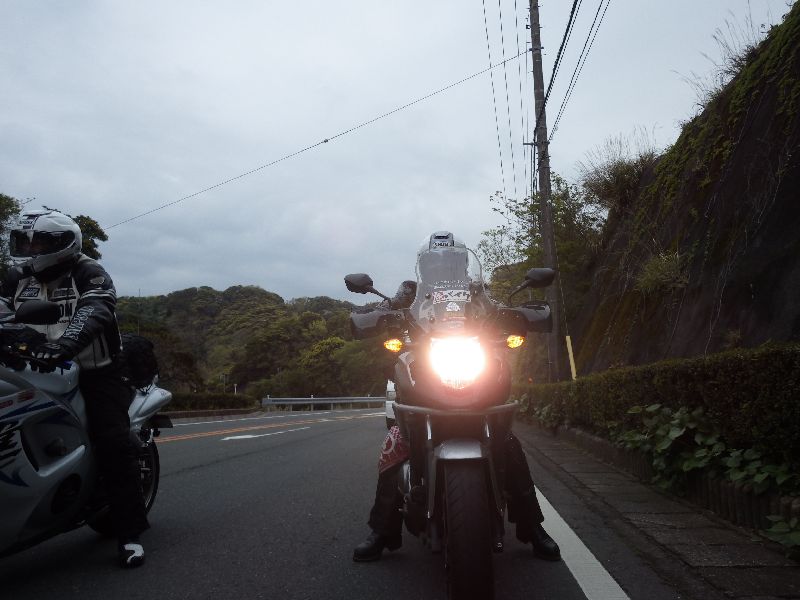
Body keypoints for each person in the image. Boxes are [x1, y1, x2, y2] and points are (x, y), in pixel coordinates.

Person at [353, 232, 561, 563]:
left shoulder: (479, 292)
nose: (443, 264)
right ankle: (383, 529)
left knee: (507, 442)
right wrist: (377, 316)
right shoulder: (410, 291)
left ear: (463, 262)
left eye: (450, 259)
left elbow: (499, 311)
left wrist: (518, 314)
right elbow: (387, 308)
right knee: (398, 440)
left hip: (473, 364)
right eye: (435, 261)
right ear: (424, 265)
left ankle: (532, 526)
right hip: (427, 367)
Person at [1, 208, 149, 568]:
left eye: (39, 243)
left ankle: (129, 535)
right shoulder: (16, 276)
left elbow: (95, 310)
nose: (30, 250)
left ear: (64, 244)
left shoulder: (89, 272)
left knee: (113, 442)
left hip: (94, 371)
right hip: (35, 366)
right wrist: (22, 337)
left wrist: (65, 345)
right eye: (25, 242)